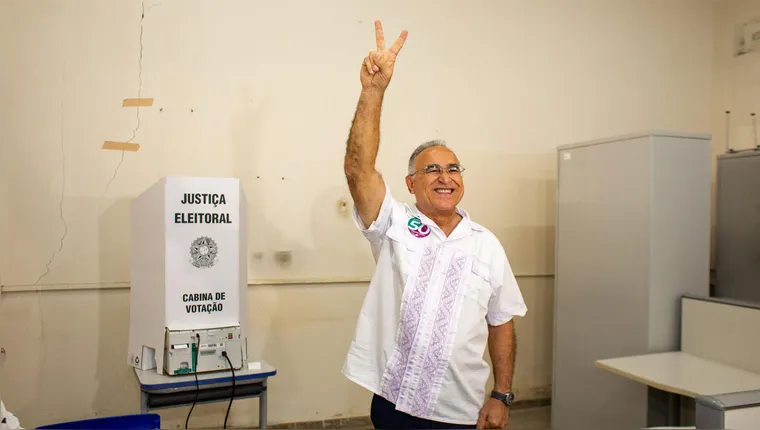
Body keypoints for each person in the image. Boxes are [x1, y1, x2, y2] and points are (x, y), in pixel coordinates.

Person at [341, 20, 528, 430]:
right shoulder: (394, 222)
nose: (445, 177)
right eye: (432, 170)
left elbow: (502, 322)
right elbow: (359, 169)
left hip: (458, 411)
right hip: (394, 401)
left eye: (453, 168)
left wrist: (502, 394)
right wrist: (373, 90)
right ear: (411, 183)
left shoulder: (487, 245)